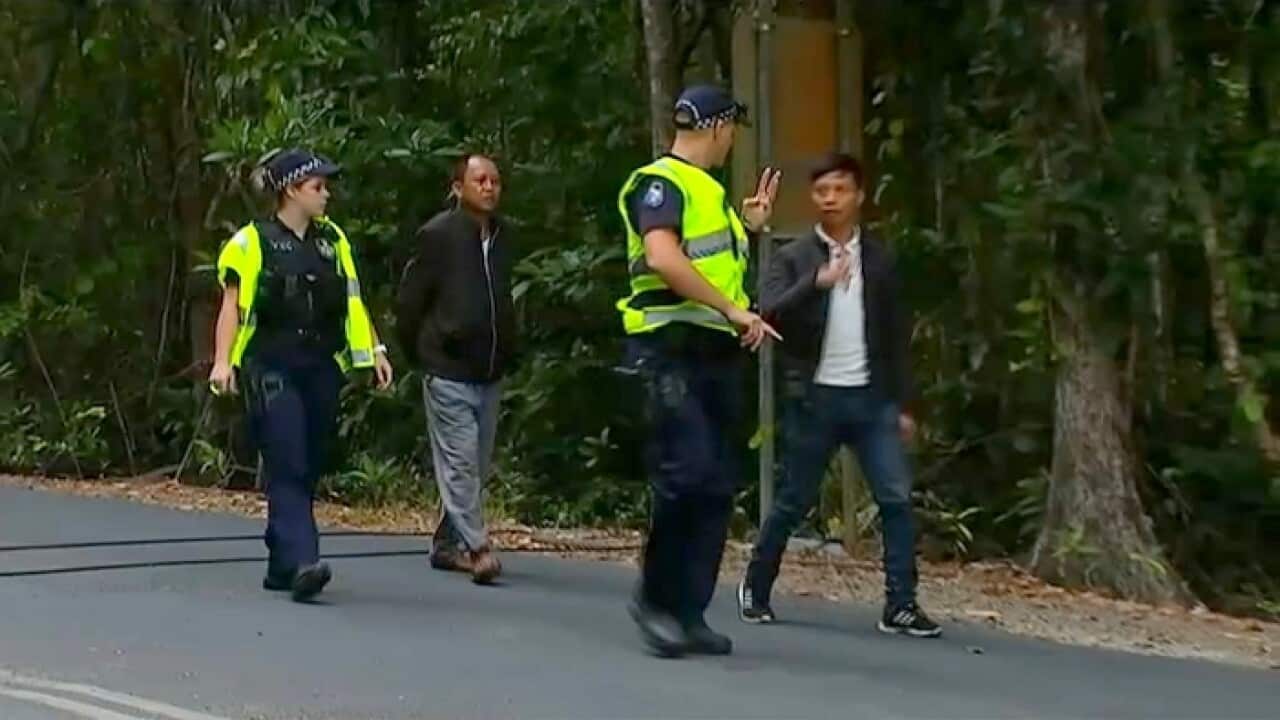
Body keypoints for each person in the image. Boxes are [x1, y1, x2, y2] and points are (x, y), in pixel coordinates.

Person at [737, 151, 940, 637]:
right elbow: (768, 311)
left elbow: (895, 337)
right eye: (822, 190)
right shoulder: (796, 257)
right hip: (816, 399)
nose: (830, 198)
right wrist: (817, 282)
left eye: (840, 189)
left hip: (872, 399)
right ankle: (756, 587)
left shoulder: (880, 259)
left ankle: (901, 603)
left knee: (895, 498)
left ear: (859, 196)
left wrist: (904, 404)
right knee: (793, 499)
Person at [617, 85, 781, 657]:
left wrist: (749, 227)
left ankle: (689, 612)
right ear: (716, 127)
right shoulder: (660, 183)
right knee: (685, 473)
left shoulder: (711, 193)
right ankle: (656, 601)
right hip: (669, 347)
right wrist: (734, 310)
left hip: (715, 353)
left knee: (715, 485)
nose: (732, 139)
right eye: (731, 128)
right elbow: (662, 257)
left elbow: (711, 265)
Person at [209, 148, 394, 602]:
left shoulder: (333, 241)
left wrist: (374, 349)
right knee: (287, 458)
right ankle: (304, 562)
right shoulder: (251, 242)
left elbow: (353, 298)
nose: (326, 194)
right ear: (291, 190)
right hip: (270, 364)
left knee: (308, 461)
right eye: (317, 187)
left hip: (320, 366)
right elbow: (232, 306)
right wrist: (222, 360)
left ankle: (281, 561)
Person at [395, 153, 515, 585]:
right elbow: (411, 300)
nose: (489, 187)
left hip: (489, 368)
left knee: (474, 465)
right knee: (460, 462)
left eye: (494, 181)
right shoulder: (438, 235)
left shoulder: (503, 236)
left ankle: (447, 544)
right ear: (458, 187)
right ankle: (477, 548)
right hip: (447, 367)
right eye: (479, 180)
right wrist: (422, 350)